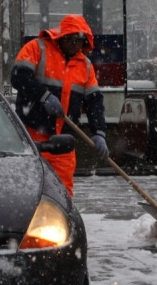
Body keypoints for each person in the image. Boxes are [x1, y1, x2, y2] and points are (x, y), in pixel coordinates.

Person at [11, 14, 108, 196]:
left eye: (79, 40)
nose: (74, 44)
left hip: (64, 143)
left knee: (63, 195)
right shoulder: (37, 48)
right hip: (33, 139)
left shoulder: (85, 66)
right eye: (71, 39)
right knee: (29, 192)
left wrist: (99, 132)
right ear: (61, 36)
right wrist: (44, 96)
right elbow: (19, 76)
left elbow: (94, 101)